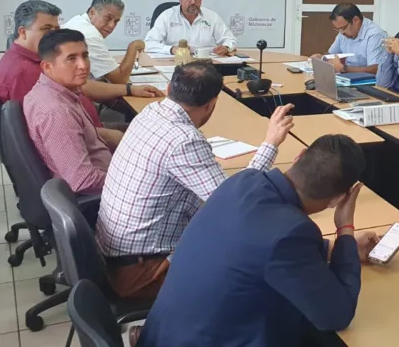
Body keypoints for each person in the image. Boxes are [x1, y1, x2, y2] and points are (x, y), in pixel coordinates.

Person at [135, 135, 379, 347]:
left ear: (299, 156)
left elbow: (256, 247)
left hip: (163, 336)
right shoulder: (291, 232)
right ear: (337, 200)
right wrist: (345, 229)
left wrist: (338, 250)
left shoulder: (243, 180)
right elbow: (336, 315)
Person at [96, 62, 295, 299]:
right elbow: (235, 202)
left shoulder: (150, 112)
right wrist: (271, 143)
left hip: (115, 256)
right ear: (212, 104)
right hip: (142, 273)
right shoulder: (184, 140)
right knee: (258, 268)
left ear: (169, 89)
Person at [0, 0, 162, 126]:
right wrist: (110, 137)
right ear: (23, 32)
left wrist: (130, 89)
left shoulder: (36, 59)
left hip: (89, 128)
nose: (53, 36)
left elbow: (83, 87)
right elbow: (50, 132)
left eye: (56, 29)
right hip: (86, 137)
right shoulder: (23, 73)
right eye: (46, 29)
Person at [23, 29, 121, 195]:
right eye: (71, 59)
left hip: (105, 173)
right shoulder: (57, 112)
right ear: (47, 66)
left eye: (85, 55)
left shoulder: (51, 90)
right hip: (104, 196)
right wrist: (129, 182)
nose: (83, 66)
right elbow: (83, 181)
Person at [63, 0, 146, 84]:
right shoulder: (90, 35)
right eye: (108, 18)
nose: (111, 25)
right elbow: (120, 80)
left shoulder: (78, 20)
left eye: (116, 21)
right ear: (92, 13)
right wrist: (133, 47)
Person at [144, 0, 237, 56]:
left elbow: (231, 40)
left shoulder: (212, 17)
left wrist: (226, 47)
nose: (193, 2)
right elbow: (148, 43)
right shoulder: (167, 16)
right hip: (175, 63)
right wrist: (172, 49)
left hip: (205, 64)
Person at [308, 3, 389, 75]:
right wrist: (321, 57)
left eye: (343, 28)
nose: (341, 32)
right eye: (338, 29)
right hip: (347, 78)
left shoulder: (375, 35)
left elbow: (375, 69)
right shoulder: (344, 33)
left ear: (356, 20)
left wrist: (343, 68)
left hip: (368, 82)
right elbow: (332, 54)